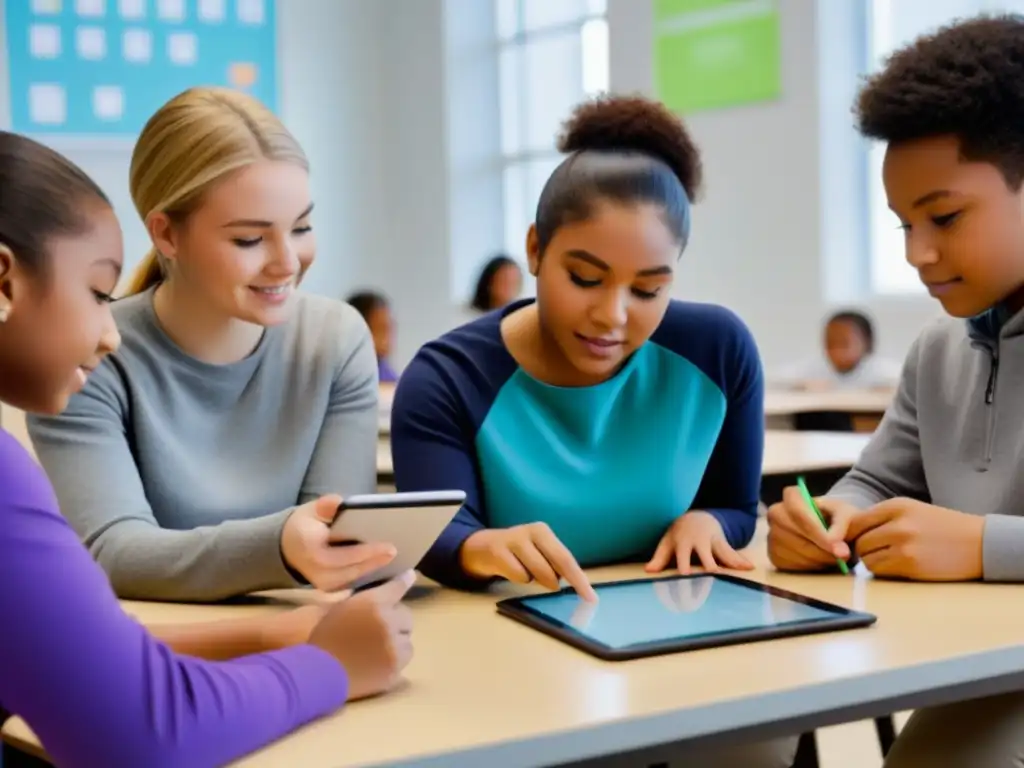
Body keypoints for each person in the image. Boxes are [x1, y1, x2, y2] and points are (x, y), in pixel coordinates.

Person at [392, 95, 796, 767]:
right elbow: (438, 534)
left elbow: (734, 506)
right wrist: (483, 547)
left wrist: (712, 524)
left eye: (648, 289)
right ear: (534, 250)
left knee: (755, 743)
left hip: (683, 656)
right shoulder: (448, 378)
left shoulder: (718, 350)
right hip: (517, 669)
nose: (612, 315)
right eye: (584, 278)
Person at [0, 129, 414, 768]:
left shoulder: (333, 338)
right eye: (96, 295)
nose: (111, 334)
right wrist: (325, 665)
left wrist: (269, 632)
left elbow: (65, 646)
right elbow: (143, 732)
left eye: (299, 227)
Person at [767, 14, 1024, 766]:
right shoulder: (938, 348)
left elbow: (973, 547)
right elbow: (878, 477)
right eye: (903, 223)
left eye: (943, 216)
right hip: (981, 671)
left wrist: (982, 544)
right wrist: (830, 517)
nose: (918, 253)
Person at [27, 87, 391, 602]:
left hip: (305, 634)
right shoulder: (90, 353)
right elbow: (110, 551)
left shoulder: (336, 341)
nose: (287, 262)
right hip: (157, 650)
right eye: (249, 239)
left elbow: (340, 541)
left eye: (302, 226)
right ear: (167, 235)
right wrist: (279, 548)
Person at [772, 309, 902, 391]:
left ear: (867, 343)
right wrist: (800, 386)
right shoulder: (816, 367)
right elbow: (775, 379)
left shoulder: (881, 370)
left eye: (844, 343)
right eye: (829, 343)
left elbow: (907, 384)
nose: (835, 350)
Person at [347, 290, 399, 383]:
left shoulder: (385, 372)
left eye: (389, 328)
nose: (388, 338)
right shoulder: (345, 375)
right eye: (380, 328)